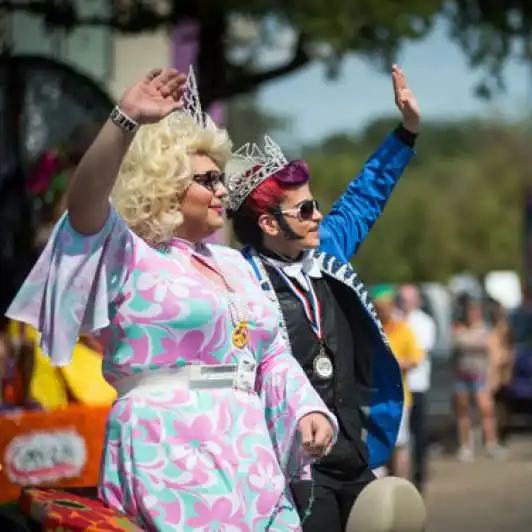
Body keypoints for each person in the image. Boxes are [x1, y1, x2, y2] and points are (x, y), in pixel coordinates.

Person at [5, 67, 336, 530]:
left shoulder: (237, 264)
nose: (223, 190)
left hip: (250, 452)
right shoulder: (129, 253)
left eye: (222, 179)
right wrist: (125, 120)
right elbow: (83, 206)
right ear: (165, 184)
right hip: (169, 447)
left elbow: (271, 355)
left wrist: (305, 408)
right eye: (207, 180)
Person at [225, 64, 421, 532]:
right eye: (306, 209)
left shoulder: (326, 251)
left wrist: (407, 131)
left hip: (354, 453)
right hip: (292, 469)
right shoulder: (239, 279)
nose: (319, 216)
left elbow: (364, 196)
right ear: (270, 224)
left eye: (316, 205)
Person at [372, 284, 424, 480]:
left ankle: (403, 487)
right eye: (378, 306)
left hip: (398, 399)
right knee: (379, 445)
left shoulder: (403, 329)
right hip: (374, 399)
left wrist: (395, 364)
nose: (382, 310)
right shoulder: (371, 329)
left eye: (385, 306)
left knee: (400, 445)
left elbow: (416, 358)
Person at [452, 297, 506, 462]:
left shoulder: (486, 330)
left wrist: (494, 376)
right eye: (469, 311)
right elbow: (456, 343)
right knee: (463, 412)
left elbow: (495, 353)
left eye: (475, 311)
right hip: (462, 376)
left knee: (486, 410)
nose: (472, 314)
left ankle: (491, 444)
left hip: (480, 376)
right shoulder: (459, 329)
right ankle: (465, 446)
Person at [397, 284, 437, 491]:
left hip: (417, 385)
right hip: (399, 387)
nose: (404, 303)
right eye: (402, 298)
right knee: (399, 437)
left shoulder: (424, 322)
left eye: (408, 299)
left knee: (418, 432)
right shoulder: (395, 320)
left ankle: (420, 474)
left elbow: (418, 353)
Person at [486, 299, 513, 445]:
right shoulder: (492, 331)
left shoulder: (503, 329)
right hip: (493, 373)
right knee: (493, 406)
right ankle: (494, 434)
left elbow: (508, 352)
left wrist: (507, 372)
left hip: (500, 374)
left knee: (500, 406)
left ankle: (501, 433)